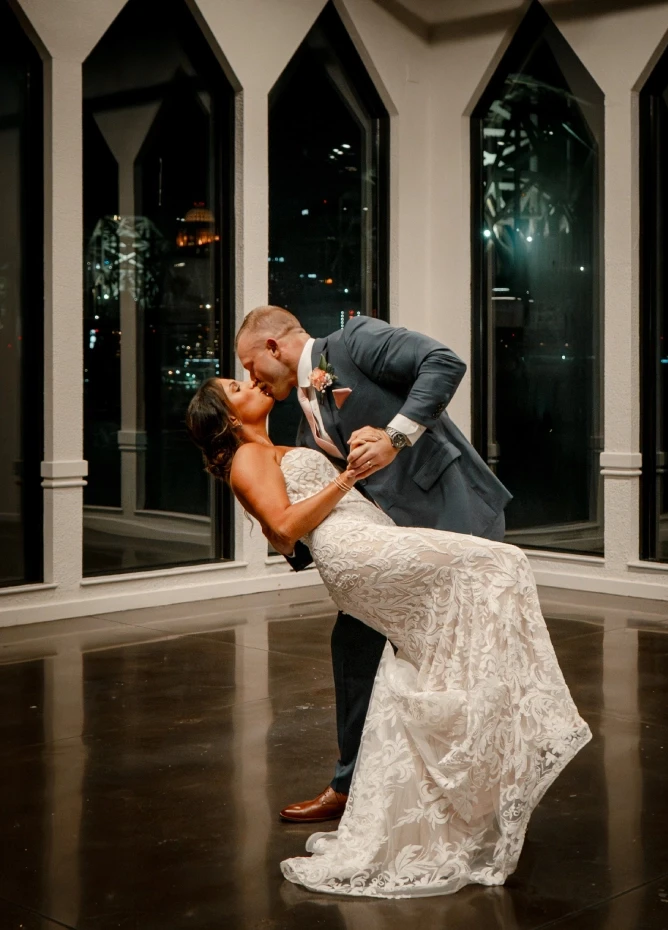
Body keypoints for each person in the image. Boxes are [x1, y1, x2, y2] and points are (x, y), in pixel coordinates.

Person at [185, 379, 591, 898]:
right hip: (354, 549)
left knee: (430, 650)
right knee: (500, 564)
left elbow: (278, 530)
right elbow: (285, 529)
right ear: (228, 416)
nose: (253, 383)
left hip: (371, 539)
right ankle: (530, 720)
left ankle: (453, 788)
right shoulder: (246, 457)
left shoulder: (271, 448)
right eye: (238, 386)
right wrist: (346, 478)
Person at [235, 306, 513, 825]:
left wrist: (395, 436)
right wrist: (282, 529)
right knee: (354, 644)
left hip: (452, 518)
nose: (252, 378)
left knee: (460, 658)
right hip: (394, 546)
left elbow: (444, 362)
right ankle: (353, 783)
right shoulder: (304, 418)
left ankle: (478, 787)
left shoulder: (354, 340)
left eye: (251, 366)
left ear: (273, 347)